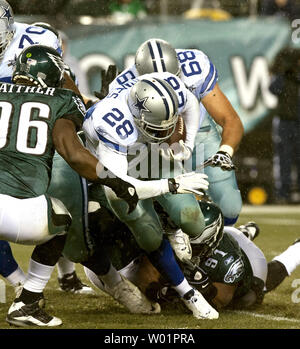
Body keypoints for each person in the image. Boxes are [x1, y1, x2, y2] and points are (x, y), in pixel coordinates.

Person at [1, 44, 139, 327]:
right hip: (17, 213)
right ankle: (27, 302)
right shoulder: (61, 100)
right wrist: (116, 180)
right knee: (61, 217)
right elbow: (75, 155)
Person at [83, 72, 219, 320]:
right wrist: (171, 185)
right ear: (138, 118)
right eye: (160, 128)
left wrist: (187, 144)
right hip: (113, 171)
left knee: (193, 220)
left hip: (148, 151)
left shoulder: (169, 86)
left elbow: (190, 103)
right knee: (147, 233)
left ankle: (170, 224)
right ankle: (189, 294)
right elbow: (120, 187)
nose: (168, 133)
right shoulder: (113, 124)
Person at [0, 1, 90, 297]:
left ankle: (66, 275)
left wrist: (80, 110)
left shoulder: (37, 39)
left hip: (41, 129)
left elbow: (64, 85)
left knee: (61, 195)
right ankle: (18, 283)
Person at [108, 38, 244, 230]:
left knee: (230, 207)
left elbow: (231, 120)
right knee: (184, 215)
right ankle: (169, 226)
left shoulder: (195, 67)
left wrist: (225, 152)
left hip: (198, 130)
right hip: (154, 143)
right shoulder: (124, 87)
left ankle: (226, 237)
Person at [84, 199, 267, 312]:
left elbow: (221, 300)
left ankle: (282, 246)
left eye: (193, 246)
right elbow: (146, 277)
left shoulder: (227, 259)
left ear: (208, 244)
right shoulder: (172, 234)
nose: (183, 248)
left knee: (250, 298)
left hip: (245, 256)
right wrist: (165, 291)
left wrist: (205, 289)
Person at [269, 47, 300, 204]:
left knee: (292, 158)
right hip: (285, 122)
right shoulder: (283, 78)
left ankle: (289, 192)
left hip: (294, 122)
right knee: (284, 158)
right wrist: (284, 74)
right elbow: (273, 88)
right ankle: (283, 193)